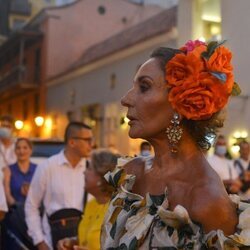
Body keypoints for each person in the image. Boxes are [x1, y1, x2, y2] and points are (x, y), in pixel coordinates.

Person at [101, 40, 250, 249]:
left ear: (180, 103)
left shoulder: (206, 200)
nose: (126, 99)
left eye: (144, 87)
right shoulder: (130, 174)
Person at [25, 122, 93, 250]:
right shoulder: (47, 167)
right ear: (72, 142)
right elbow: (31, 205)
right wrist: (40, 241)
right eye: (87, 140)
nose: (91, 144)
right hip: (51, 241)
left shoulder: (92, 170)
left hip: (83, 244)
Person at [57, 149, 119, 250]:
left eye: (89, 169)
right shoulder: (92, 204)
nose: (84, 172)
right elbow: (90, 238)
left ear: (102, 177)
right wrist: (72, 241)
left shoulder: (118, 209)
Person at [4, 138, 37, 206]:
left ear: (31, 150)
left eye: (25, 148)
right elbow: (7, 194)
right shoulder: (8, 170)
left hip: (35, 210)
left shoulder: (38, 169)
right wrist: (17, 206)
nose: (21, 151)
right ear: (15, 151)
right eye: (18, 148)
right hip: (15, 211)